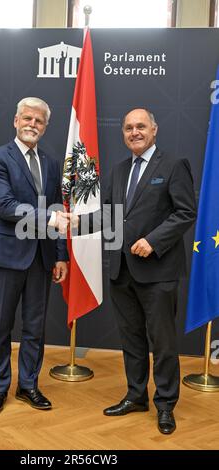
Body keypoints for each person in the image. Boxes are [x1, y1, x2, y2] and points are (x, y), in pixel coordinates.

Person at [103, 108, 196, 434]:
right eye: (128, 127)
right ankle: (136, 395)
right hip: (121, 272)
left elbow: (186, 212)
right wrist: (71, 223)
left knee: (163, 343)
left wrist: (153, 241)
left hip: (158, 272)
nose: (134, 132)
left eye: (141, 126)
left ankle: (166, 404)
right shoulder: (116, 171)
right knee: (132, 340)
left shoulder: (173, 165)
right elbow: (110, 219)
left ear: (154, 129)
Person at [0, 97, 69, 415]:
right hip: (6, 256)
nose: (33, 125)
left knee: (35, 327)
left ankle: (28, 386)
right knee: (0, 327)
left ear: (45, 127)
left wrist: (61, 255)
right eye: (28, 119)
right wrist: (48, 218)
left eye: (39, 121)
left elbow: (59, 209)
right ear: (16, 121)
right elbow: (5, 206)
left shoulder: (49, 162)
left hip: (42, 258)